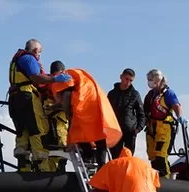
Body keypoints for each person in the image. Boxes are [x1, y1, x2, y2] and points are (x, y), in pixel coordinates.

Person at [8, 39, 72, 172]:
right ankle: (42, 167)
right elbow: (36, 78)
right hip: (27, 97)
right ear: (36, 50)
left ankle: (24, 166)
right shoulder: (29, 59)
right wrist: (54, 79)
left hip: (14, 99)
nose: (39, 56)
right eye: (40, 53)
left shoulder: (17, 61)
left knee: (22, 131)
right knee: (36, 130)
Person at [47, 66, 122, 167]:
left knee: (77, 133)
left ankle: (89, 155)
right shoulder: (78, 75)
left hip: (84, 104)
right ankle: (101, 164)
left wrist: (67, 113)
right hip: (96, 102)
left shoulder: (63, 78)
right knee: (99, 134)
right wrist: (55, 107)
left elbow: (66, 96)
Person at [143, 69, 184, 176]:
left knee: (161, 155)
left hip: (164, 128)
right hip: (151, 128)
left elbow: (176, 106)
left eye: (151, 79)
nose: (149, 82)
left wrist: (180, 116)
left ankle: (166, 179)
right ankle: (157, 179)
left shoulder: (168, 93)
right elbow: (145, 111)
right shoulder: (150, 95)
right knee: (152, 156)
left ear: (157, 79)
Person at [107, 68, 146, 158]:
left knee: (128, 158)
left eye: (130, 80)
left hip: (130, 132)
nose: (128, 82)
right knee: (115, 158)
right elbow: (107, 111)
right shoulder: (112, 94)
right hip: (115, 130)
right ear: (121, 77)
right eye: (126, 79)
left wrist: (138, 129)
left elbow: (142, 114)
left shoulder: (135, 94)